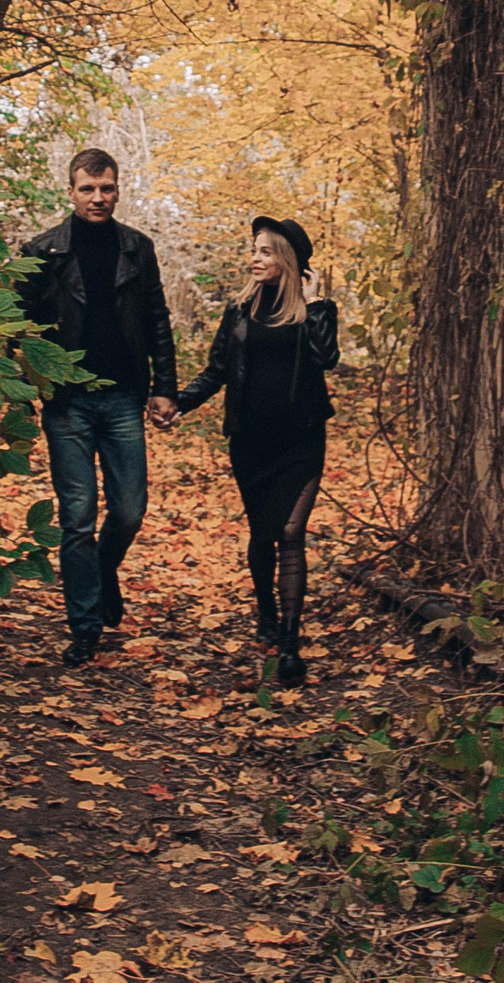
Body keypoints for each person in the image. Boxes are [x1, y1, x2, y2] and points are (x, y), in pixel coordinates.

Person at [17, 148, 178, 666]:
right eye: (87, 189)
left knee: (129, 510)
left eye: (106, 188)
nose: (98, 198)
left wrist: (164, 387)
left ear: (118, 189)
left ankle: (103, 573)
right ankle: (85, 626)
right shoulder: (43, 252)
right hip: (68, 402)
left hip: (125, 395)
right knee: (78, 516)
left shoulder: (137, 248)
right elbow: (14, 326)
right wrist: (21, 388)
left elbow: (157, 318)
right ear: (70, 191)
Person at [174, 216, 340, 688]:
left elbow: (327, 358)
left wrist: (316, 304)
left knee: (290, 531)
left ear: (288, 260)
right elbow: (217, 370)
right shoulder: (240, 309)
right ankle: (266, 613)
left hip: (300, 439)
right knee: (262, 532)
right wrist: (179, 402)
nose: (255, 258)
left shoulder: (315, 310)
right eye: (254, 249)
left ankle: (290, 641)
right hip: (250, 440)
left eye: (266, 251)